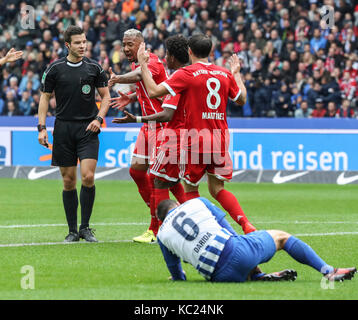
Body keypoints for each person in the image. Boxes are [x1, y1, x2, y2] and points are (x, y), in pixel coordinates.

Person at [133, 34, 256, 235]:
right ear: (211, 50)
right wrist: (236, 74)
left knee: (190, 190)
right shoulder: (224, 73)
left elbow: (154, 91)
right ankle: (245, 224)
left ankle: (210, 229)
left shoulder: (185, 74)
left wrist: (143, 65)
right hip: (221, 138)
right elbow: (241, 99)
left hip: (196, 138)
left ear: (189, 51)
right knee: (217, 189)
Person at [156, 198, 357, 283]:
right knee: (281, 237)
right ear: (178, 204)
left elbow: (175, 270)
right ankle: (328, 271)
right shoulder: (197, 202)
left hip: (219, 277)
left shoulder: (162, 235)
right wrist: (247, 256)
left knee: (235, 253)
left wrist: (178, 278)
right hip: (237, 253)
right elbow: (228, 230)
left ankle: (257, 277)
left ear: (162, 219)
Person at [108, 29, 186, 243]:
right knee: (136, 171)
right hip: (148, 126)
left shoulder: (150, 62)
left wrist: (118, 78)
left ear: (141, 44)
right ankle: (162, 207)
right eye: (124, 44)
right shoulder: (137, 63)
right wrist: (131, 98)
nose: (126, 49)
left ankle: (157, 226)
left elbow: (141, 76)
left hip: (161, 124)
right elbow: (146, 88)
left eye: (130, 44)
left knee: (159, 178)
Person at [37, 25, 110, 242]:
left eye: (84, 41)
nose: (82, 45)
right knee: (68, 181)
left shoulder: (94, 68)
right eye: (78, 42)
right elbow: (44, 98)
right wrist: (41, 128)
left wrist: (99, 118)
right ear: (68, 45)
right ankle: (72, 231)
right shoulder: (55, 69)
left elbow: (106, 97)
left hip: (88, 128)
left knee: (87, 176)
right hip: (63, 128)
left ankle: (85, 227)